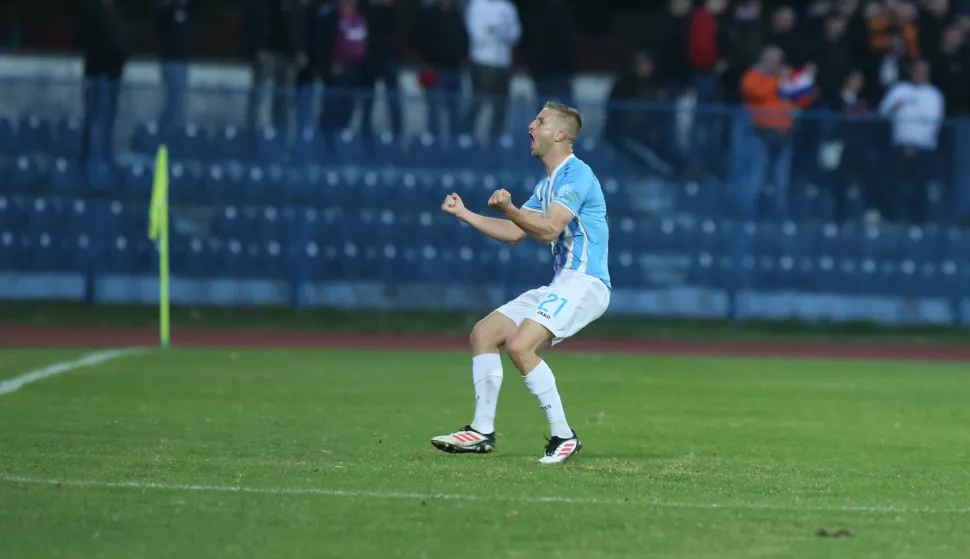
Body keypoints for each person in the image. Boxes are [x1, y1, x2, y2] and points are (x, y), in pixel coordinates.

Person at [431, 101, 612, 464]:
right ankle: (481, 432)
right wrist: (465, 213)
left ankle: (564, 436)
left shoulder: (576, 175)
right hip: (563, 282)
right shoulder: (547, 184)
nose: (531, 125)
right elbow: (516, 232)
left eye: (540, 121)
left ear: (560, 134)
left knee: (519, 346)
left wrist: (512, 209)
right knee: (484, 334)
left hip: (586, 282)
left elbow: (547, 230)